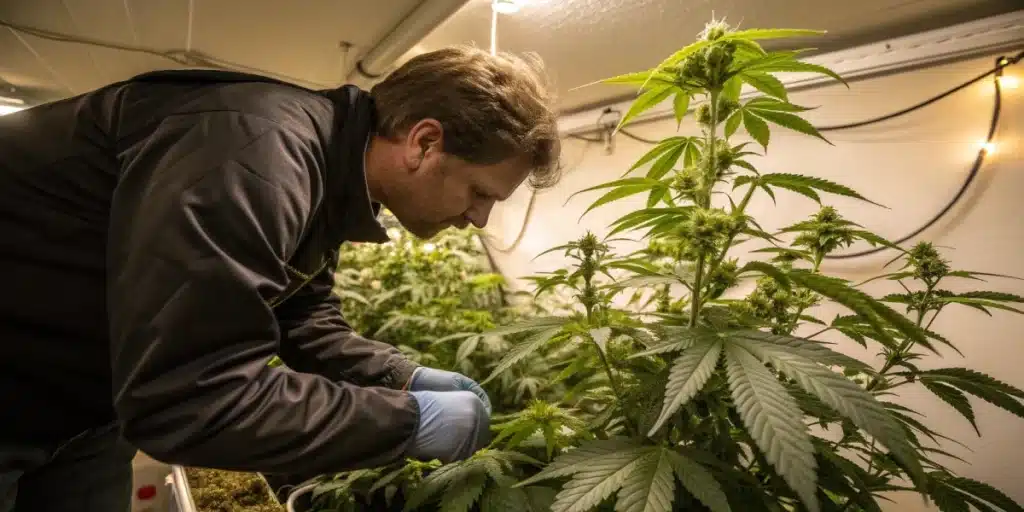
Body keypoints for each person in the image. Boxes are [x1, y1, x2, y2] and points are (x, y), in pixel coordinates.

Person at [0, 44, 561, 511]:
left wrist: (400, 377)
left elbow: (300, 312)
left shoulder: (332, 170)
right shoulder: (254, 154)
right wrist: (407, 423)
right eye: (480, 192)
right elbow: (191, 396)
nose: (479, 218)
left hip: (84, 408)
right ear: (424, 142)